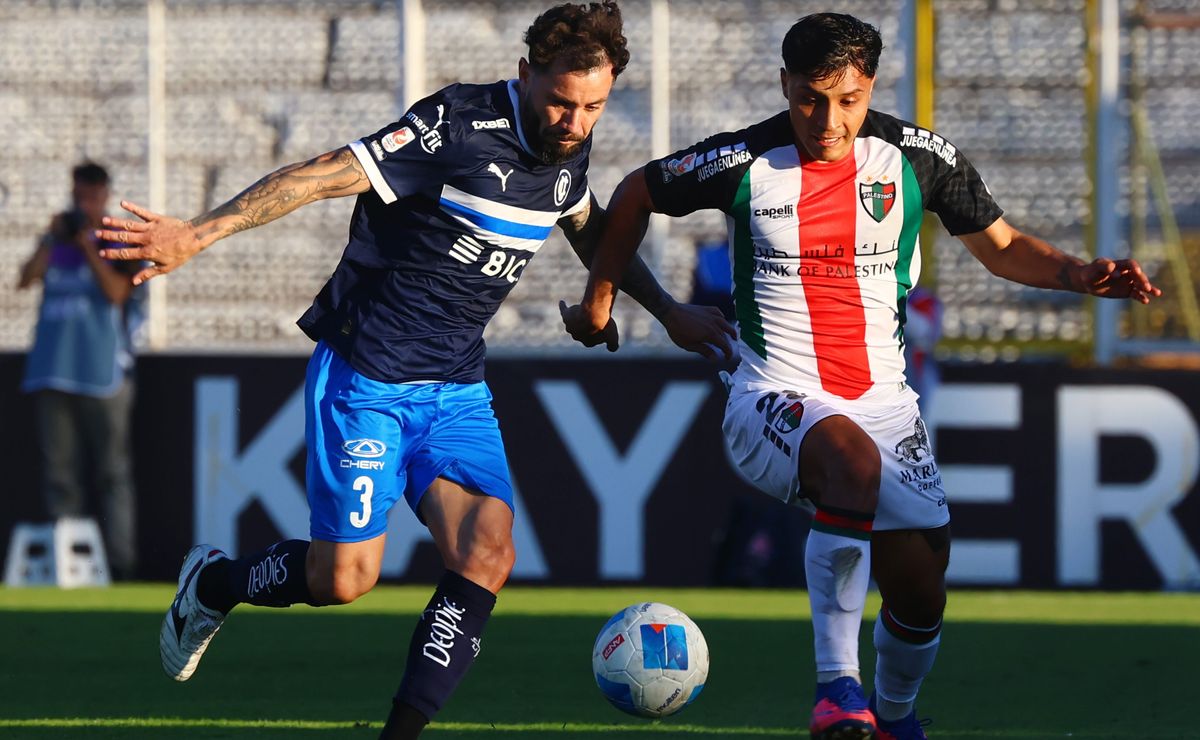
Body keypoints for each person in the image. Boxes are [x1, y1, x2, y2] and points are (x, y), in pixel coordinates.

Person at [96, 3, 732, 738]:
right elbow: (320, 175)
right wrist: (197, 234)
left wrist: (665, 310)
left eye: (593, 106)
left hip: (456, 388)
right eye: (560, 100)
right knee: (344, 580)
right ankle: (213, 583)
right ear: (525, 74)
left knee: (488, 552)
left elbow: (583, 220)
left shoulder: (570, 147)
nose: (574, 121)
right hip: (367, 375)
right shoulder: (456, 126)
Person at [562, 12, 1160, 740]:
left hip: (885, 406)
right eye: (811, 98)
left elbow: (1001, 249)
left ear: (869, 86)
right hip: (771, 398)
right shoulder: (747, 161)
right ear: (786, 86)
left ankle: (897, 720)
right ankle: (837, 691)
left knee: (921, 582)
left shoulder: (915, 159)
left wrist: (1080, 273)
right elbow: (635, 193)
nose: (828, 119)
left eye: (847, 100)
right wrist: (602, 303)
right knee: (847, 462)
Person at [18, 162, 142, 581]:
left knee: (112, 472)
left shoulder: (116, 240)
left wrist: (88, 246)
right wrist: (52, 240)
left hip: (103, 375)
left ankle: (122, 565)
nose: (83, 204)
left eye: (91, 196)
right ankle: (65, 564)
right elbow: (25, 279)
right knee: (60, 474)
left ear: (105, 195)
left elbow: (116, 294)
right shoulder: (56, 239)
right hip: (52, 370)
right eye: (78, 196)